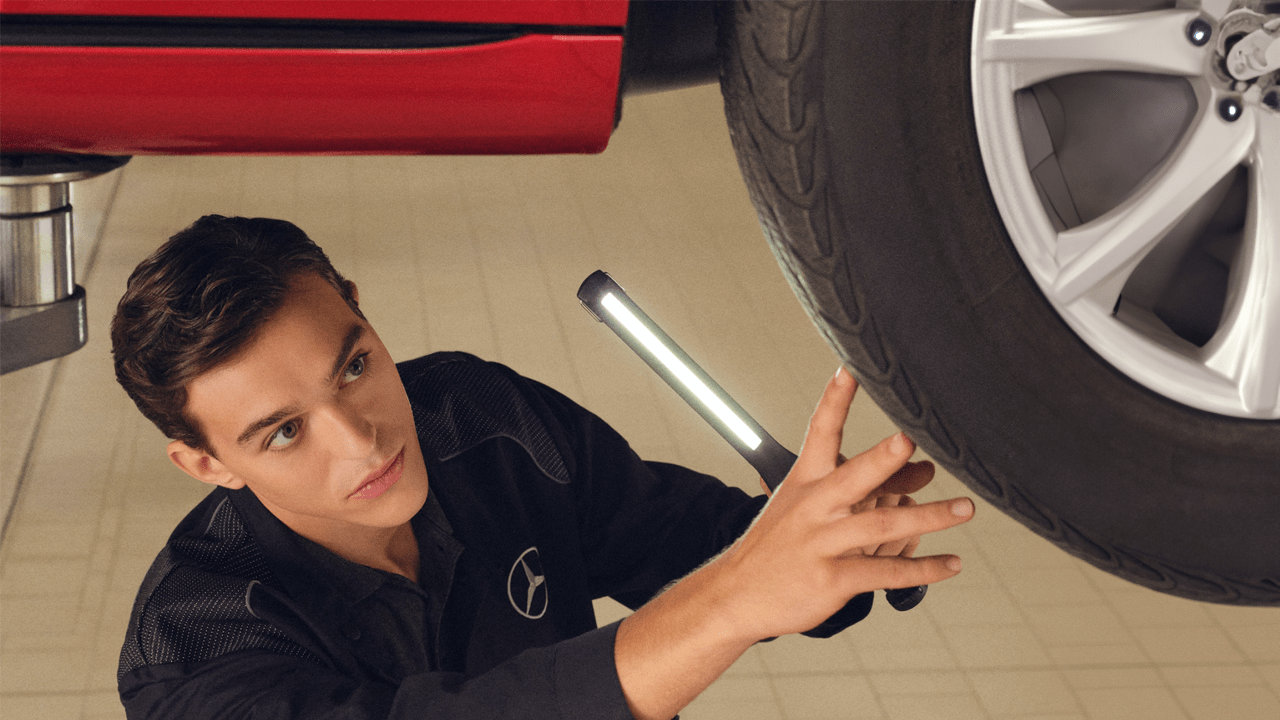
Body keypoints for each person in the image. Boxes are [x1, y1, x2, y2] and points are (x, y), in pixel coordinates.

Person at [111, 215, 974, 720]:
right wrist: (742, 591)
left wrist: (835, 540)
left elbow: (692, 545)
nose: (364, 440)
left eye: (355, 367)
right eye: (284, 434)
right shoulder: (191, 645)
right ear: (203, 463)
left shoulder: (482, 421)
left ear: (363, 314)